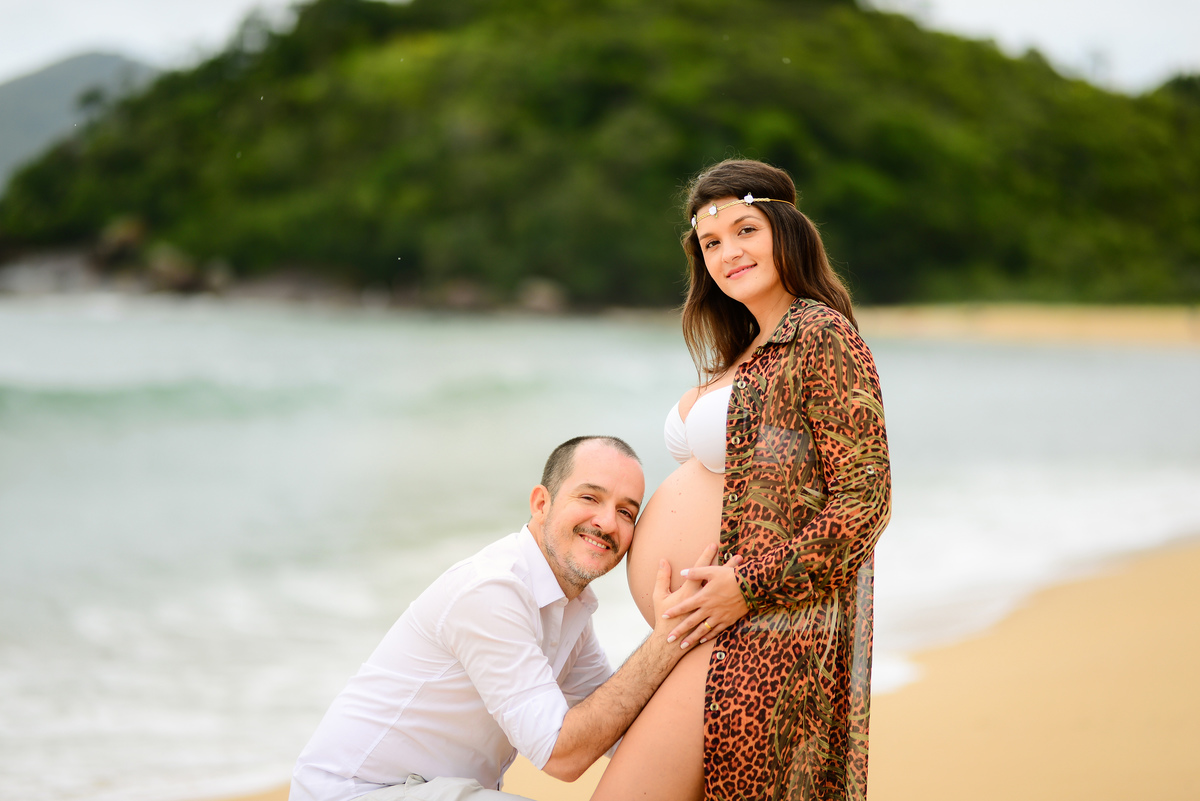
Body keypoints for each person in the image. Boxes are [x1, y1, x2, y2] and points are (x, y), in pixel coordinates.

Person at [600, 160, 892, 801]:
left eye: (746, 230)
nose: (728, 252)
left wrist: (744, 587)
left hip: (759, 636)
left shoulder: (822, 335)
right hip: (705, 635)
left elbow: (865, 500)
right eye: (711, 243)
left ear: (786, 231)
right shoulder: (750, 350)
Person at [290, 435, 714, 801]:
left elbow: (620, 730)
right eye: (589, 497)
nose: (606, 522)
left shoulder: (571, 608)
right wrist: (670, 635)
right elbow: (561, 754)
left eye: (626, 511)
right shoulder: (492, 591)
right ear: (541, 503)